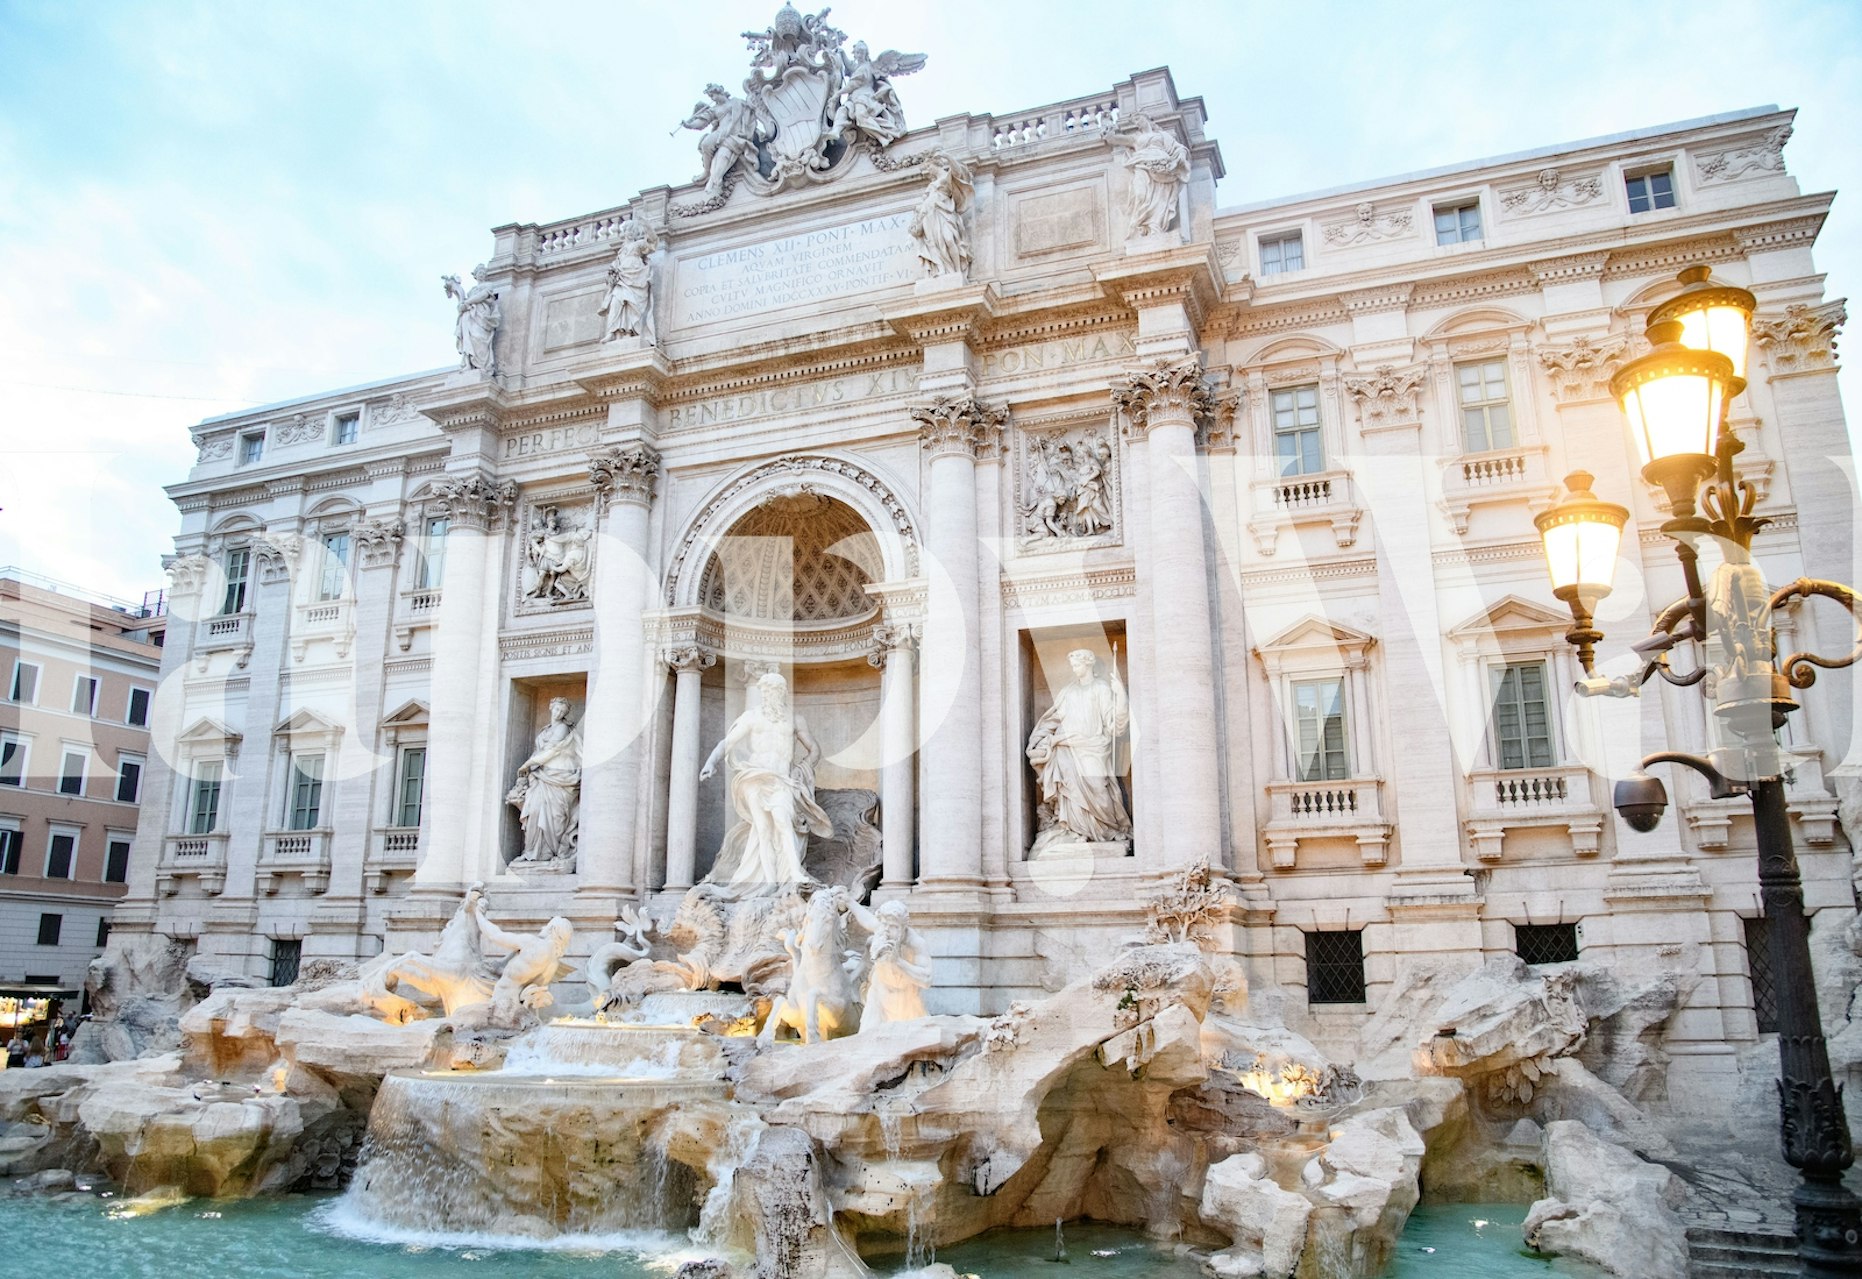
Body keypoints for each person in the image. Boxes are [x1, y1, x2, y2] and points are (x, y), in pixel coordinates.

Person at [700, 672, 834, 892]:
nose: (768, 695)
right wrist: (711, 762)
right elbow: (728, 742)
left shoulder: (794, 719)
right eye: (765, 691)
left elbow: (814, 748)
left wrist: (803, 769)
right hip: (755, 776)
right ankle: (770, 882)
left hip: (781, 779)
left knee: (783, 820)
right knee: (762, 829)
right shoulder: (752, 717)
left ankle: (794, 873)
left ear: (782, 692)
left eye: (773, 690)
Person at [1027, 649, 1132, 853]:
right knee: (1069, 790)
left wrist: (1120, 696)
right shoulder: (1069, 691)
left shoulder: (1101, 689)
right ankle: (1075, 830)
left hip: (1093, 747)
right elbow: (1054, 719)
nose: (1074, 669)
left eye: (1077, 665)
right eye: (1073, 666)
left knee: (1099, 789)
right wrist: (1039, 739)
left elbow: (1114, 726)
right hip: (1066, 747)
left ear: (1088, 664)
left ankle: (1105, 830)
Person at [509, 698, 582, 864]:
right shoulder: (545, 731)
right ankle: (531, 852)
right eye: (556, 709)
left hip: (559, 777)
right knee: (534, 811)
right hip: (540, 776)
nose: (559, 713)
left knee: (556, 816)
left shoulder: (563, 728)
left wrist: (527, 764)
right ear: (551, 708)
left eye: (562, 711)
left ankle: (549, 853)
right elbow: (539, 752)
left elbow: (552, 751)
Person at [908, 153, 972, 279]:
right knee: (933, 243)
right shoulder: (931, 185)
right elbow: (924, 202)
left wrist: (947, 156)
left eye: (929, 166)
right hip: (929, 215)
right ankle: (941, 269)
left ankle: (956, 270)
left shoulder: (946, 177)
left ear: (935, 164)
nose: (928, 170)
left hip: (944, 213)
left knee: (948, 239)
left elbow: (958, 172)